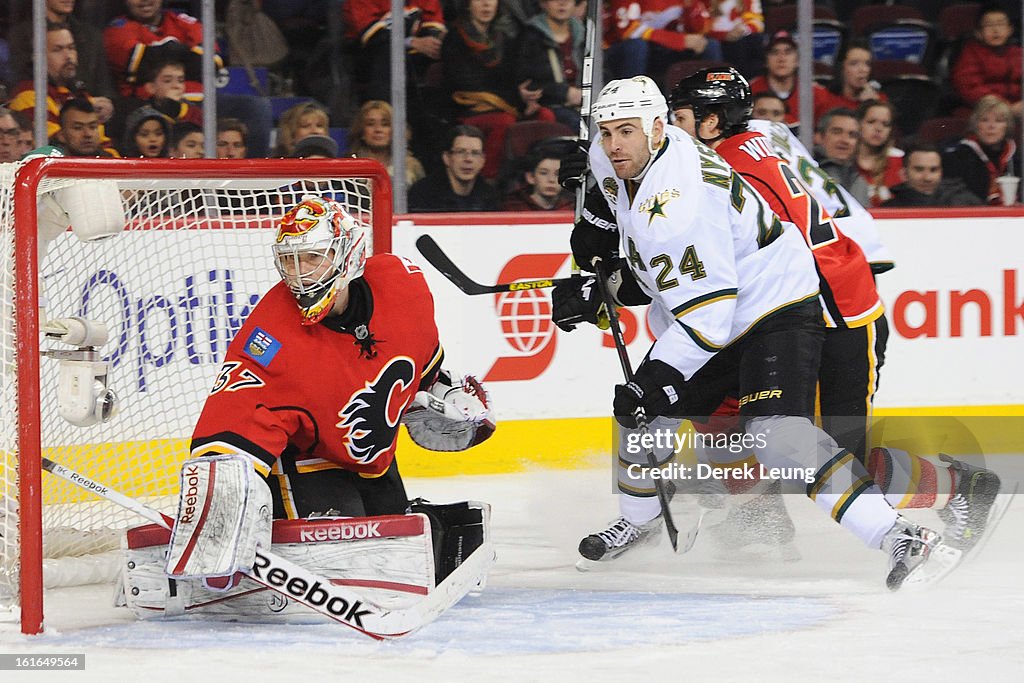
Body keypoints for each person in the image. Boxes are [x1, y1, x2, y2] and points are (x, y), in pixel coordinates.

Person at [552, 75, 955, 589]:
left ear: (659, 129)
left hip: (773, 308)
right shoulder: (630, 152)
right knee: (651, 413)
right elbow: (620, 235)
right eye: (605, 133)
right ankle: (646, 518)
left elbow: (703, 313)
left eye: (625, 131)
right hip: (738, 297)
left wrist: (617, 317)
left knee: (780, 435)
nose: (613, 144)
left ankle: (900, 534)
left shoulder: (680, 203)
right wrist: (593, 238)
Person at [163, 194, 494, 611]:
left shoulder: (402, 283)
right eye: (290, 261)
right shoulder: (271, 337)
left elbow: (419, 363)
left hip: (371, 458)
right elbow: (231, 422)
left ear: (348, 255)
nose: (299, 276)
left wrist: (444, 392)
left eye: (312, 258)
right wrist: (221, 506)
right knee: (351, 557)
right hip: (304, 457)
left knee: (399, 551)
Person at [441, 0, 557, 180]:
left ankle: (529, 179)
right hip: (469, 108)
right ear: (468, 5)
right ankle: (489, 180)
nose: (487, 4)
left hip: (507, 103)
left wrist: (525, 97)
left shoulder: (505, 37)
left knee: (545, 115)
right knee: (503, 121)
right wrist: (512, 97)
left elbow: (515, 76)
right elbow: (466, 83)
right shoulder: (454, 38)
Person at [8, 0, 117, 125]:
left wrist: (104, 104)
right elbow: (49, 144)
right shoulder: (28, 94)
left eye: (71, 48)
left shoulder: (91, 35)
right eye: (57, 49)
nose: (68, 56)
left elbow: (104, 84)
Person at [343, 0, 447, 103]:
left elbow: (434, 26)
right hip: (368, 55)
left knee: (450, 46)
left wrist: (430, 42)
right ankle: (386, 113)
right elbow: (371, 35)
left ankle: (455, 111)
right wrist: (409, 42)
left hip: (415, 49)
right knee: (390, 54)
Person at [603, 0, 722, 82]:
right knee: (637, 46)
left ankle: (716, 97)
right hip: (621, 51)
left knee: (710, 45)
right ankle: (629, 97)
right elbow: (628, 31)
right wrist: (680, 41)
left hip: (662, 50)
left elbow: (699, 29)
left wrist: (690, 6)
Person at [513, 0, 585, 129]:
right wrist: (565, 93)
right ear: (543, 3)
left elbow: (602, 71)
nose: (562, 3)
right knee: (581, 126)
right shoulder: (530, 36)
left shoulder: (585, 34)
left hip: (585, 104)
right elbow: (526, 82)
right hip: (550, 105)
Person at [942, 94, 1021, 205]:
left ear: (1007, 126)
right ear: (975, 124)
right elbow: (954, 196)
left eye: (998, 121)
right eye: (984, 120)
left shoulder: (1017, 156)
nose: (991, 126)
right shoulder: (958, 156)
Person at [408, 124, 500, 211]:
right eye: (460, 152)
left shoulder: (490, 197)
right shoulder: (423, 194)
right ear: (447, 158)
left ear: (482, 161)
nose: (468, 159)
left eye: (475, 153)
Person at [951, 4, 1022, 117]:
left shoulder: (1018, 53)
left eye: (1000, 24)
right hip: (985, 108)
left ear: (1010, 29)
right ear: (978, 33)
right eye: (989, 25)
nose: (996, 30)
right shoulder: (971, 52)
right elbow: (969, 87)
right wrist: (1004, 106)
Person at [748, 30, 825, 132]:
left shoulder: (816, 93)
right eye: (775, 52)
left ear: (797, 60)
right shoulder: (750, 90)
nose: (781, 59)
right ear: (766, 61)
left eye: (788, 52)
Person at [347, 100, 427, 186]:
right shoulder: (350, 164)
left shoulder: (411, 166)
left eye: (385, 124)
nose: (378, 130)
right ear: (361, 131)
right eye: (370, 124)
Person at [813, 40, 886, 128]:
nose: (863, 70)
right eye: (854, 64)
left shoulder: (879, 102)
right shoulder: (826, 102)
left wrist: (871, 106)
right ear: (841, 68)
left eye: (867, 64)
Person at [884, 142, 983, 207]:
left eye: (933, 170)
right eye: (919, 170)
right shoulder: (889, 209)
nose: (927, 178)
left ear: (941, 172)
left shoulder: (966, 203)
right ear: (904, 174)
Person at [814, 107, 871, 207]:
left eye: (852, 135)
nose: (845, 140)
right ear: (819, 137)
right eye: (837, 132)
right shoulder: (803, 172)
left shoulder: (859, 182)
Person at [854, 100, 903, 208]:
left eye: (886, 124)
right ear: (858, 124)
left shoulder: (900, 160)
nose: (879, 129)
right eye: (871, 122)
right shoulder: (845, 160)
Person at [502, 142, 574, 210]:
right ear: (531, 177)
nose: (551, 180)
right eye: (543, 173)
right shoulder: (513, 208)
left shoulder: (572, 208)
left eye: (558, 174)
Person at [706, 0, 765, 78]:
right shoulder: (706, 2)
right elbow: (702, 27)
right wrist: (724, 35)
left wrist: (743, 29)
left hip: (743, 38)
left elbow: (758, 22)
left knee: (755, 40)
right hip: (718, 41)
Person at [140, 58, 203, 126]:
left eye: (180, 81)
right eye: (167, 81)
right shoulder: (142, 112)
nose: (176, 86)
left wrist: (175, 108)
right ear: (151, 87)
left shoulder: (194, 111)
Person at [53, 98, 118, 157]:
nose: (88, 134)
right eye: (78, 128)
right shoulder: (49, 165)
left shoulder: (110, 160)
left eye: (93, 127)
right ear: (61, 135)